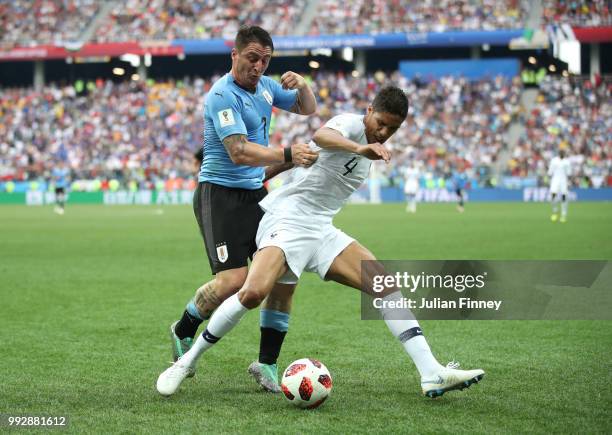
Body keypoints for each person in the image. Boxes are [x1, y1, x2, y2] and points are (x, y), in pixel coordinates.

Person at [157, 86, 485, 399]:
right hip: (286, 220)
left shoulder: (376, 148)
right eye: (381, 123)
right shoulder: (349, 125)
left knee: (384, 283)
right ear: (369, 111)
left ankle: (431, 372)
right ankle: (188, 361)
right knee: (253, 292)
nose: (384, 132)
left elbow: (307, 151)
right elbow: (320, 136)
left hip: (320, 228)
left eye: (392, 129)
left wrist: (266, 174)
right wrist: (359, 148)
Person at [166, 25, 319, 392]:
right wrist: (288, 154)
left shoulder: (266, 87)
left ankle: (266, 364)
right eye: (252, 57)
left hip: (255, 194)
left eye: (265, 60)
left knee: (283, 276)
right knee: (234, 281)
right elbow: (238, 152)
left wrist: (304, 86)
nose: (259, 66)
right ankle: (183, 329)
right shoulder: (222, 95)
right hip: (219, 195)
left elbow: (307, 109)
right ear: (234, 55)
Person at [548, 149, 571, 223]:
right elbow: (550, 171)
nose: (561, 153)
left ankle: (563, 214)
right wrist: (549, 177)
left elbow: (569, 173)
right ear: (558, 153)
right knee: (553, 195)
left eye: (563, 152)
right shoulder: (554, 160)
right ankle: (555, 211)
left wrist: (569, 182)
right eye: (560, 152)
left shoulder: (567, 162)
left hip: (563, 180)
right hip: (555, 179)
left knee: (564, 196)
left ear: (564, 154)